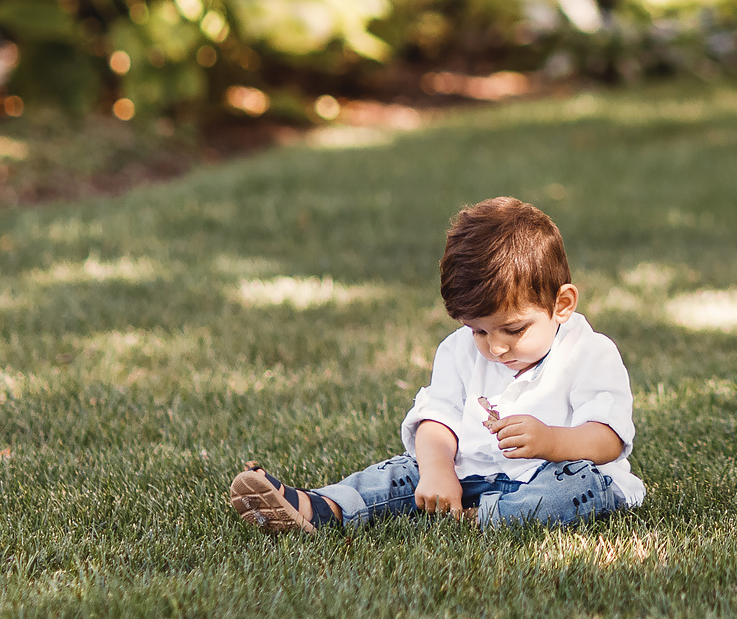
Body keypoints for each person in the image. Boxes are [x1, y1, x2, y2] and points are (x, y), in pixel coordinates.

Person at [229, 197, 642, 533]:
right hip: (469, 474)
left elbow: (607, 439)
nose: (496, 347)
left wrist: (550, 440)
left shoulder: (589, 353)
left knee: (581, 487)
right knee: (403, 470)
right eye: (479, 331)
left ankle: (489, 518)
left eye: (513, 329)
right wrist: (439, 471)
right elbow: (437, 420)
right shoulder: (458, 350)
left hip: (554, 475)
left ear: (562, 304)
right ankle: (319, 506)